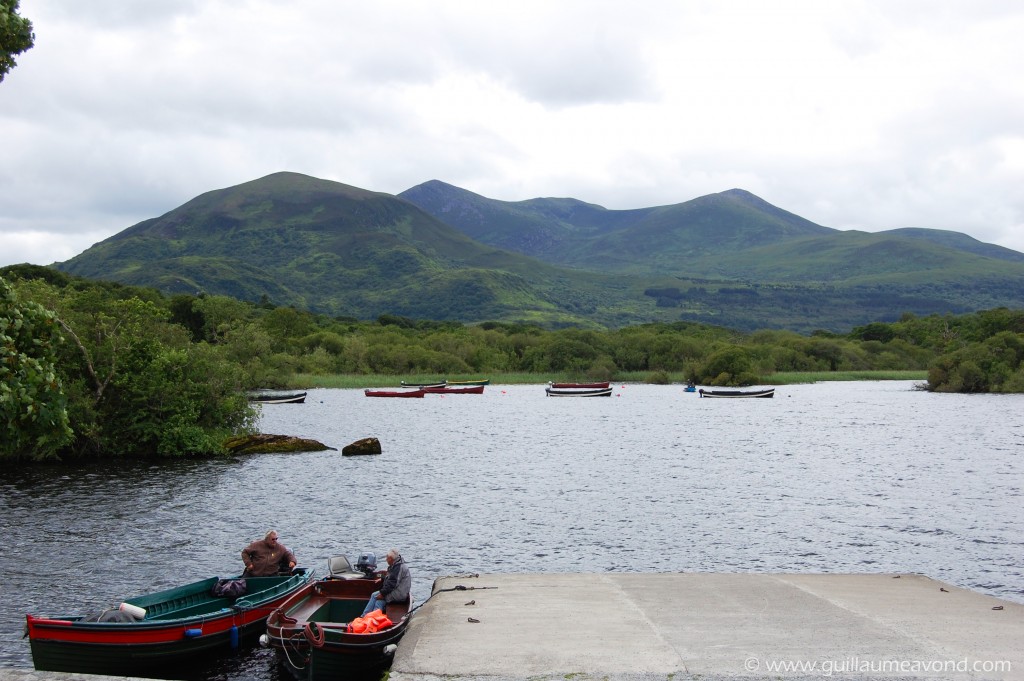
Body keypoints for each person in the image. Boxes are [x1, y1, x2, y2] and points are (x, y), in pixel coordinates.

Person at [361, 549, 411, 615]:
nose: (386, 559)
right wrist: (383, 579)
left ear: (391, 559)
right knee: (379, 600)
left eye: (387, 557)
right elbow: (392, 578)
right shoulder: (397, 564)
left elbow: (392, 584)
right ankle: (374, 618)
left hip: (399, 595)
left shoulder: (398, 567)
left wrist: (382, 594)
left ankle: (364, 616)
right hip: (400, 592)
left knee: (375, 595)